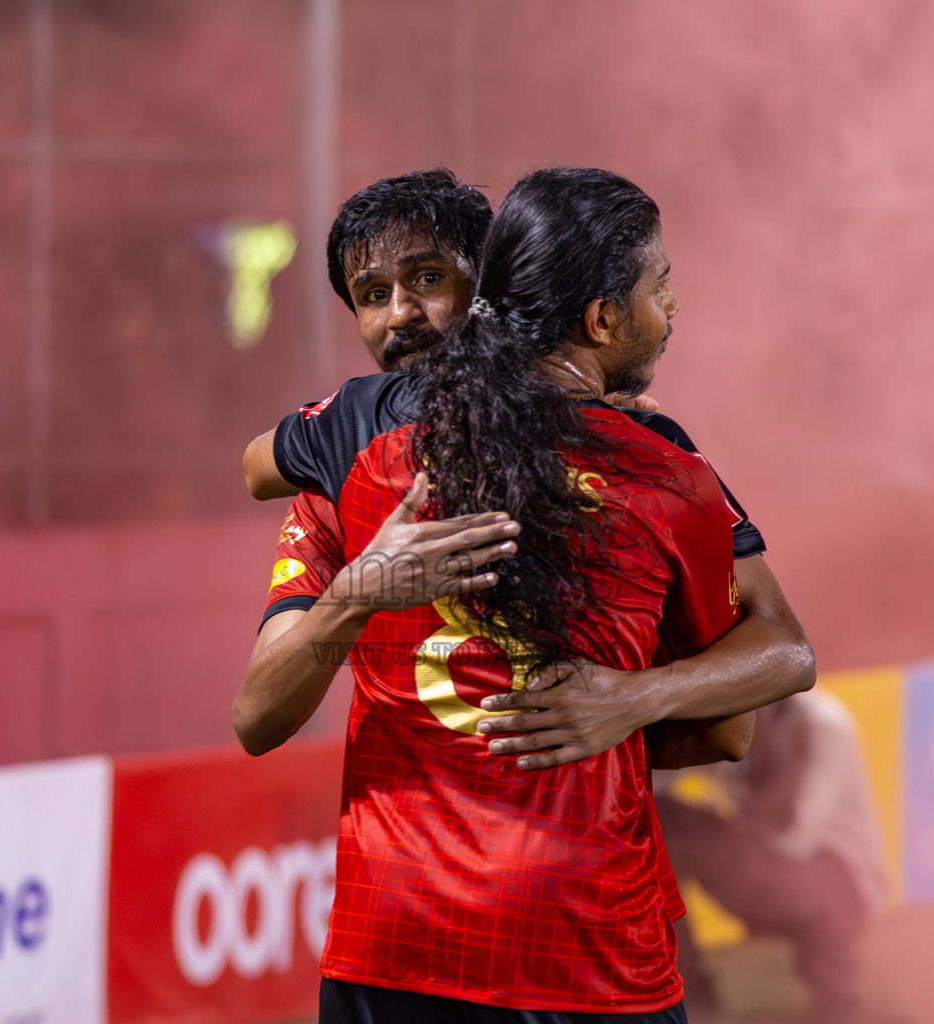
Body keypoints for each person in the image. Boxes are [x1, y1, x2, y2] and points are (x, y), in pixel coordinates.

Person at [236, 167, 814, 1022]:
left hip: (399, 948)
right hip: (575, 944)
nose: (401, 314)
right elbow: (735, 717)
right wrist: (613, 710)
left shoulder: (358, 465)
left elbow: (256, 468)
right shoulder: (657, 466)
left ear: (492, 286)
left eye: (429, 279)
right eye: (372, 294)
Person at [657, 691, 887, 1021]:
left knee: (677, 830)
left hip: (842, 882)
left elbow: (797, 835)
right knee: (660, 824)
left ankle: (840, 999)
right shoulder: (741, 717)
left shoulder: (822, 723)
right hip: (772, 869)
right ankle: (688, 988)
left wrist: (725, 835)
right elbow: (663, 783)